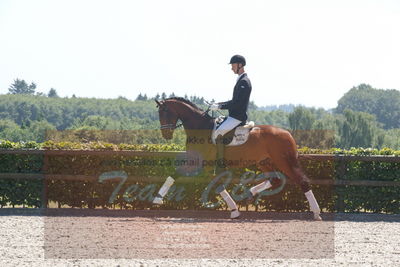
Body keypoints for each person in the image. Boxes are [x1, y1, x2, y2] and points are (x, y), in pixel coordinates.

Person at [210, 54, 252, 171]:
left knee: (218, 133)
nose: (231, 68)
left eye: (233, 65)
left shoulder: (244, 82)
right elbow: (233, 101)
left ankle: (220, 166)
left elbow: (237, 103)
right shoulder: (241, 80)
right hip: (233, 116)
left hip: (237, 117)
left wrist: (220, 106)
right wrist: (219, 104)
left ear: (240, 65)